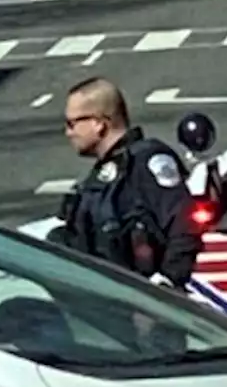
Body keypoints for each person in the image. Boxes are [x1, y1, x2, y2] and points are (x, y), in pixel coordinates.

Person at [55, 77, 202, 290]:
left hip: (142, 303)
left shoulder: (146, 161)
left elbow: (184, 222)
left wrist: (166, 283)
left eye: (72, 123)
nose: (68, 133)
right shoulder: (101, 177)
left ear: (98, 124)